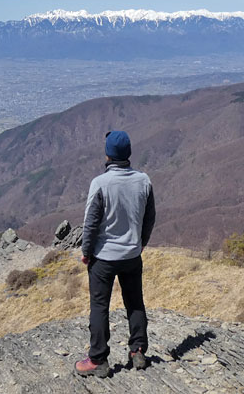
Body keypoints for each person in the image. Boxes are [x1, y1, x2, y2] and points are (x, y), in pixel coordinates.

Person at [74, 130, 156, 378]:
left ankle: (98, 360)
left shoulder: (100, 183)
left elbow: (91, 223)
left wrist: (86, 252)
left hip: (104, 257)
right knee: (135, 303)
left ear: (108, 154)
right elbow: (150, 217)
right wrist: (141, 243)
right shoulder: (144, 180)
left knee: (100, 307)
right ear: (128, 153)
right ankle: (138, 350)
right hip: (132, 255)